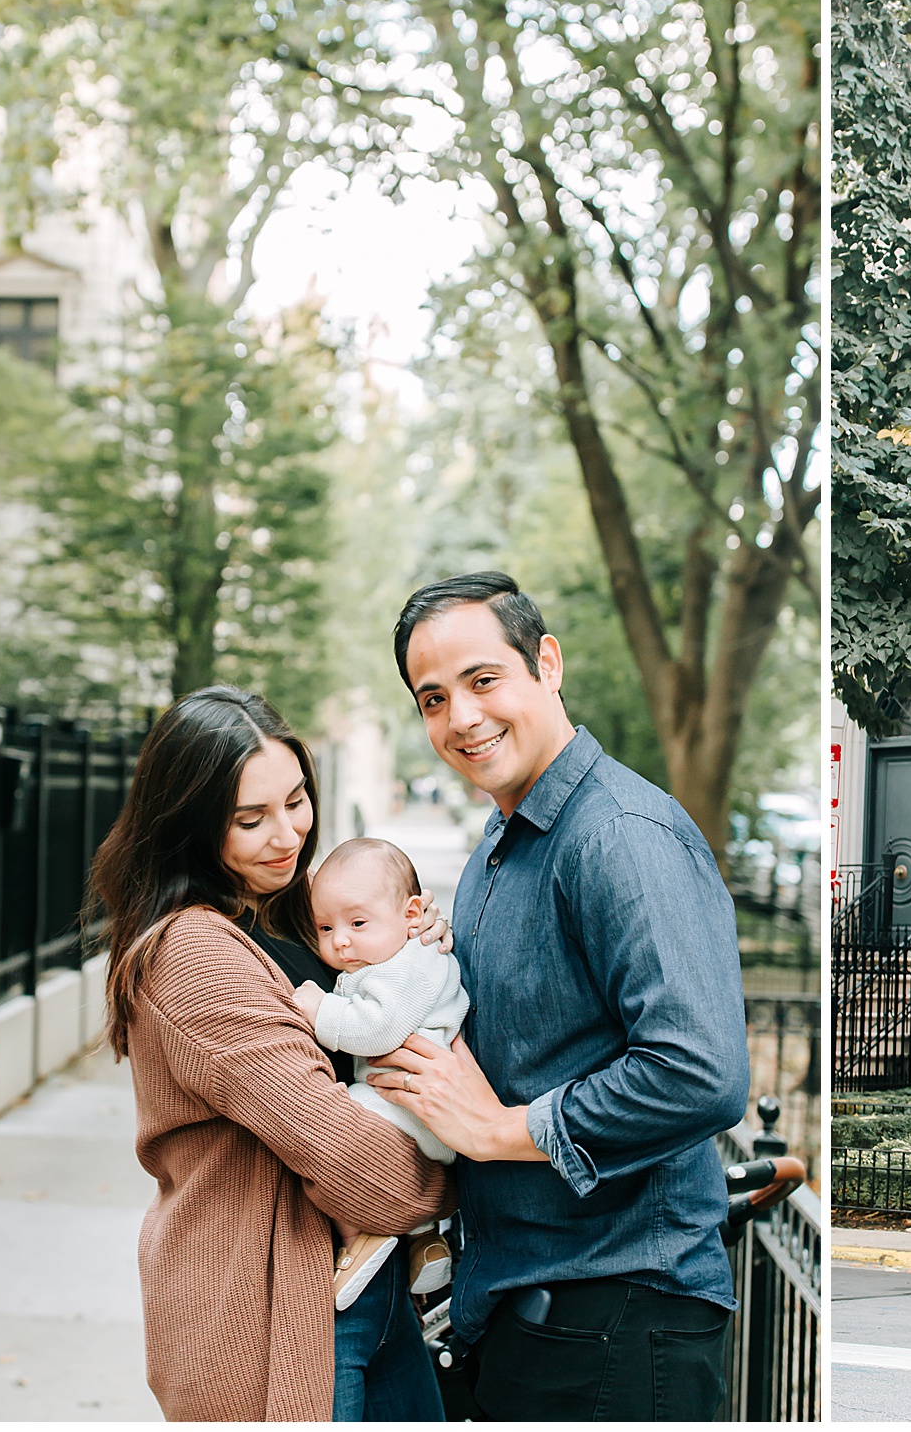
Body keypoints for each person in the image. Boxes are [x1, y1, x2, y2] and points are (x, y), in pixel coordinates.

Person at [365, 572, 751, 1421]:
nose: (461, 717)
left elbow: (700, 1070)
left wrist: (503, 1131)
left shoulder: (618, 835)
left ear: (546, 662)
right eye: (433, 698)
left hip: (615, 1322)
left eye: (482, 680)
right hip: (536, 1318)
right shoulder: (505, 840)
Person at [93, 685, 450, 1421]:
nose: (287, 834)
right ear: (190, 826)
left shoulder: (286, 912)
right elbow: (353, 1162)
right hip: (267, 1310)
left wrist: (415, 957)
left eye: (296, 800)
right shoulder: (194, 952)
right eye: (250, 819)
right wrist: (476, 1173)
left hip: (361, 1298)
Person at [293, 836, 470, 1309]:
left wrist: (320, 1010)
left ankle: (356, 1237)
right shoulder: (393, 951)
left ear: (413, 916)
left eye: (356, 923)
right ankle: (425, 1243)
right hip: (417, 1106)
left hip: (416, 1102)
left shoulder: (408, 965)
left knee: (338, 1122)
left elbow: (377, 1029)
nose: (340, 940)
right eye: (325, 928)